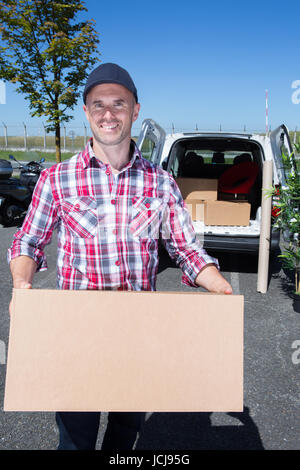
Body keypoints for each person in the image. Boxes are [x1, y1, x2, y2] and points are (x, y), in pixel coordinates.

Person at [8, 63, 232, 450]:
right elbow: (28, 242)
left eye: (118, 104)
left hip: (138, 330)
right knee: (75, 439)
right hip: (77, 331)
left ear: (135, 110)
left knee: (125, 434)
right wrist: (22, 283)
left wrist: (217, 283)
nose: (108, 114)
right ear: (86, 112)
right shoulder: (56, 179)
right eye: (98, 105)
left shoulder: (160, 182)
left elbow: (184, 247)